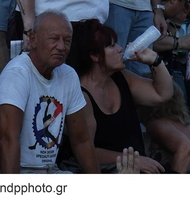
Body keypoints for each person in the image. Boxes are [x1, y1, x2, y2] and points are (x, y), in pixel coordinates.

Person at [0, 11, 99, 173]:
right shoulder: (17, 73)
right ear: (33, 39)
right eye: (54, 39)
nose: (61, 47)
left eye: (67, 40)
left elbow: (81, 139)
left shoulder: (68, 75)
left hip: (49, 170)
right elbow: (7, 139)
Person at [67, 17, 173, 173]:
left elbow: (162, 94)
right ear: (95, 56)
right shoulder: (82, 95)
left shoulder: (122, 78)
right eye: (111, 46)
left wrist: (154, 61)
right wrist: (134, 161)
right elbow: (86, 151)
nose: (120, 49)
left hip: (138, 169)